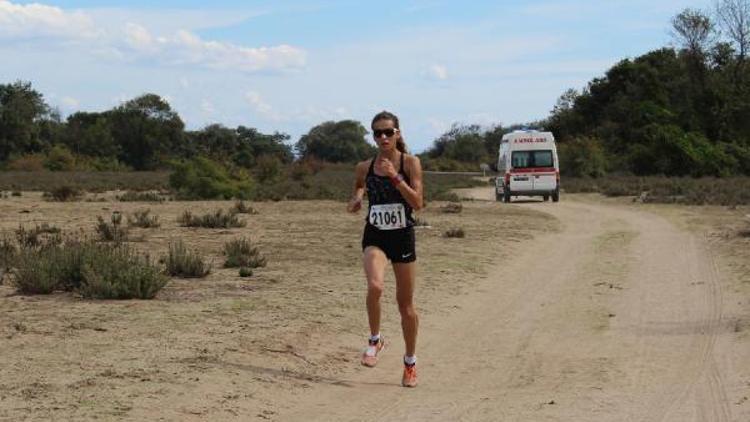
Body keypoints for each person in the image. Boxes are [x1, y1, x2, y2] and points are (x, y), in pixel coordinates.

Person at [347, 111, 424, 388]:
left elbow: (417, 203)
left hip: (402, 237)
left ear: (398, 134)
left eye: (388, 132)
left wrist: (395, 178)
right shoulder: (364, 166)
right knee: (375, 286)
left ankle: (410, 362)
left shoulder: (410, 163)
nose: (383, 137)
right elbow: (358, 188)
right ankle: (375, 340)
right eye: (377, 133)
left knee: (406, 307)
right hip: (376, 235)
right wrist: (356, 200)